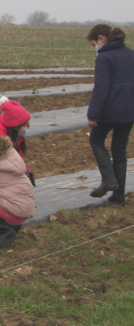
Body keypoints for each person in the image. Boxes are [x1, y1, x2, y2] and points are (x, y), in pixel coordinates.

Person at [86, 24, 134, 203]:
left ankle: (108, 179)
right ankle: (119, 196)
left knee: (96, 139)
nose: (95, 49)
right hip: (130, 110)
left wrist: (93, 114)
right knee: (119, 148)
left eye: (94, 45)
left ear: (101, 39)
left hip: (110, 109)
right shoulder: (131, 54)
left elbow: (101, 88)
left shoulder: (104, 57)